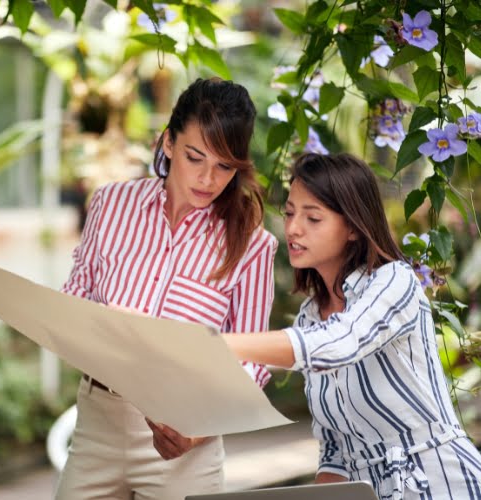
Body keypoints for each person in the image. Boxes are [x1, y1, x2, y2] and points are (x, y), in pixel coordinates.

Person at [55, 77, 278, 500]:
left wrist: (198, 428)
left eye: (225, 166)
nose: (209, 179)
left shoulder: (250, 242)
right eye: (195, 157)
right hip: (97, 425)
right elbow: (75, 298)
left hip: (186, 441)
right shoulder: (110, 205)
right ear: (169, 142)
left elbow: (254, 359)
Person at [218, 152, 481, 499]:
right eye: (290, 213)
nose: (294, 228)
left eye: (313, 217)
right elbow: (334, 451)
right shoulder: (310, 317)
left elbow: (340, 343)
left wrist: (218, 343)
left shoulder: (394, 281)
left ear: (354, 227)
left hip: (440, 483)